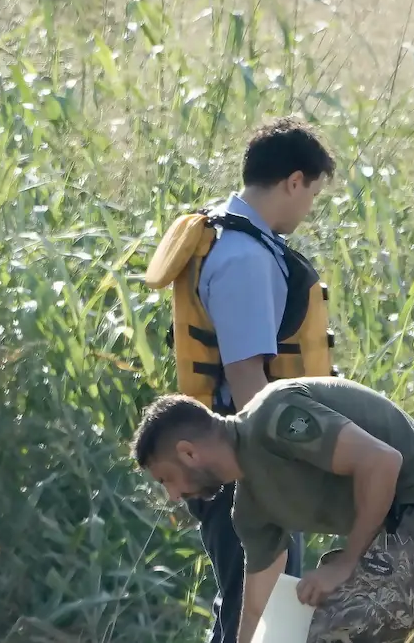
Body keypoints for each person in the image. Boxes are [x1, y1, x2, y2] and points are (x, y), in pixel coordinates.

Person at [142, 117, 338, 643]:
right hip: (246, 463)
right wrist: (280, 467)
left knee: (258, 616)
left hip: (234, 453)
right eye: (312, 193)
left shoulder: (225, 237)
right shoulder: (246, 257)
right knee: (260, 621)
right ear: (293, 181)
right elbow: (248, 376)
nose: (309, 207)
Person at [132, 380, 414, 643]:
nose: (174, 496)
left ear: (189, 453)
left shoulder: (273, 417)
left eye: (167, 479)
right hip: (406, 530)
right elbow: (257, 605)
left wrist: (346, 564)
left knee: (327, 631)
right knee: (292, 631)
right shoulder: (250, 509)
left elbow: (381, 461)